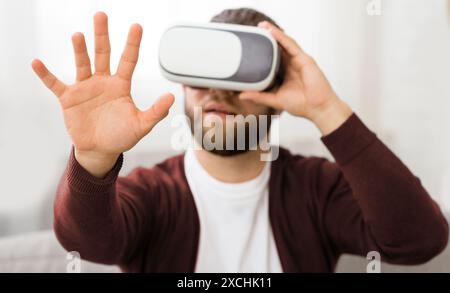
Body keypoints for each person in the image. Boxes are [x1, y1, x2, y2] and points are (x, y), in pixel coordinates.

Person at [31, 8, 448, 273]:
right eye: (204, 71)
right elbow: (88, 242)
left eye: (242, 75)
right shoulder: (152, 194)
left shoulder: (316, 189)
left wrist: (328, 110)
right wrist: (92, 159)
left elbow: (419, 240)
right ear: (183, 86)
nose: (219, 91)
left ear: (278, 97)